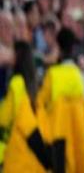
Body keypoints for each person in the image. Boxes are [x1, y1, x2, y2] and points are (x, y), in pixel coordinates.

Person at [36, 27, 84, 173]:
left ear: (58, 48)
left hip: (58, 133)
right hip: (79, 133)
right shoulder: (79, 74)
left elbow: (39, 103)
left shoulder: (52, 74)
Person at [0, 41, 51, 172]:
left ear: (17, 56)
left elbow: (7, 119)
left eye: (12, 51)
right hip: (32, 161)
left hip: (17, 157)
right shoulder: (34, 88)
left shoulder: (17, 83)